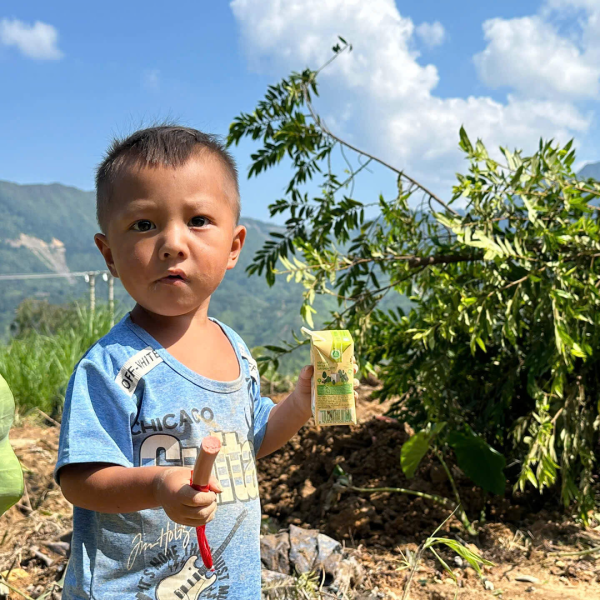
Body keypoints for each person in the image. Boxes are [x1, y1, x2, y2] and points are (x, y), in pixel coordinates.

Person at [54, 125, 358, 600]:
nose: (173, 243)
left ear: (234, 246)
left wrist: (298, 405)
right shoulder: (113, 367)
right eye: (143, 225)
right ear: (109, 254)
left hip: (226, 586)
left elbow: (251, 441)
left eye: (197, 220)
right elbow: (81, 479)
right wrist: (159, 487)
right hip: (133, 589)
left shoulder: (235, 348)